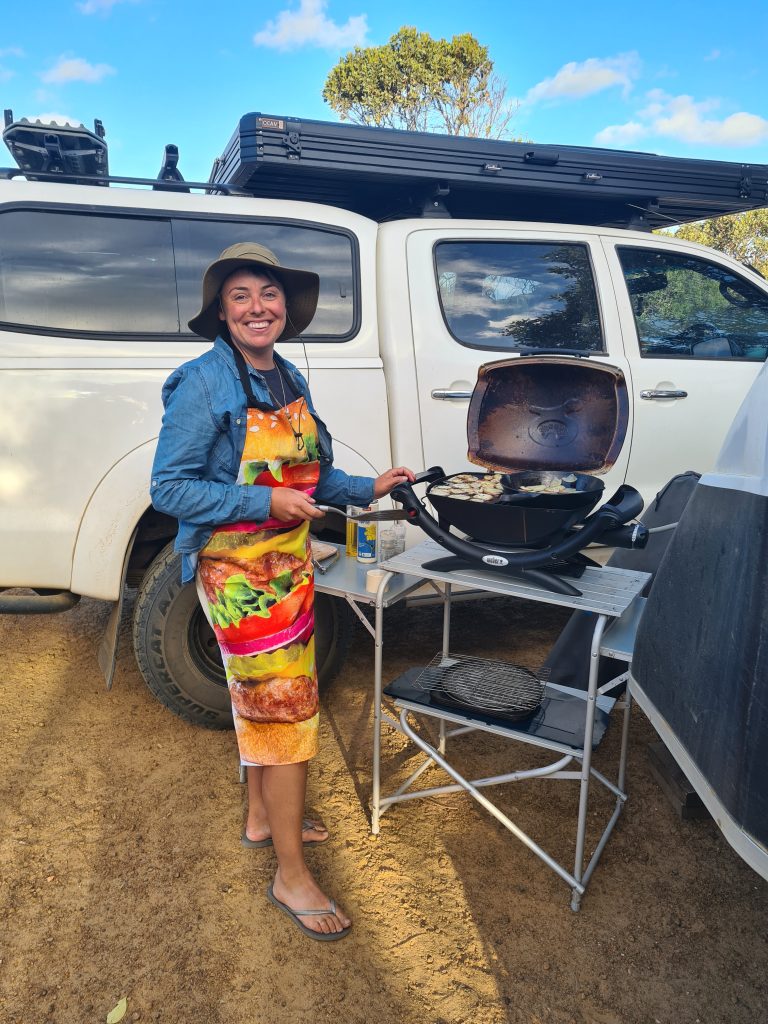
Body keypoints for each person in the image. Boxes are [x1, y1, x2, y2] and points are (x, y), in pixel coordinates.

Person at [151, 242, 414, 940]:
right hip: (238, 576)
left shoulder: (286, 375)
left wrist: (368, 487)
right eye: (240, 295)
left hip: (288, 566)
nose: (257, 307)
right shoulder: (202, 382)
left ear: (285, 308)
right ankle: (290, 876)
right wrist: (264, 503)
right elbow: (169, 488)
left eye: (267, 293)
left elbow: (311, 473)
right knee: (287, 714)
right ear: (221, 311)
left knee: (262, 705)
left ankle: (263, 818)